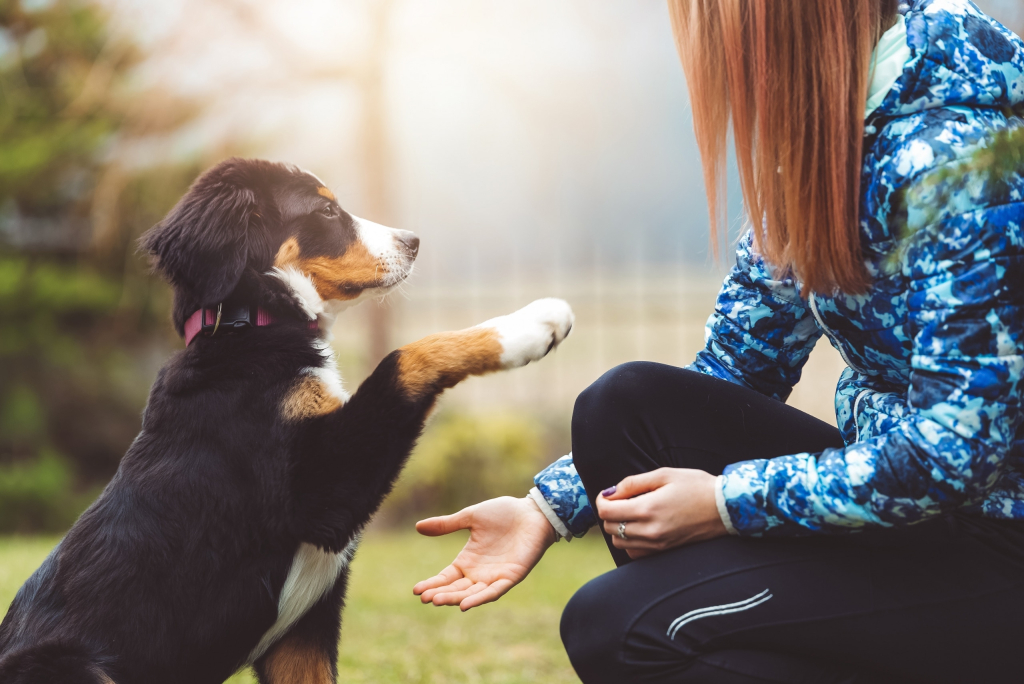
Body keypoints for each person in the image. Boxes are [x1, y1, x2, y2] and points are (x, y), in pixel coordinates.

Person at [413, 1, 1024, 681]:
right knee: (624, 406)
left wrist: (724, 503)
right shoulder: (834, 136)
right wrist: (546, 510)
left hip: (999, 545)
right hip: (912, 519)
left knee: (617, 626)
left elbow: (952, 453)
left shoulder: (961, 156)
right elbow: (738, 365)